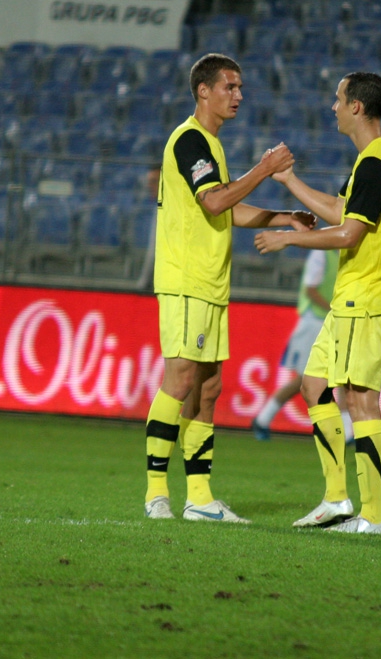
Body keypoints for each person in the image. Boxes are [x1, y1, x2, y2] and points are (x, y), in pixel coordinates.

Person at [143, 53, 316, 522]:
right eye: (230, 87)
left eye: (240, 88)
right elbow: (218, 199)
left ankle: (199, 499)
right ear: (204, 91)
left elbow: (225, 209)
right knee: (180, 379)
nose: (238, 95)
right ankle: (157, 492)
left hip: (211, 284)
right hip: (186, 280)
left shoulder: (212, 148)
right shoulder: (190, 141)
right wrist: (263, 169)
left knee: (208, 388)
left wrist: (284, 217)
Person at [254, 72, 381, 535]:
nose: (332, 106)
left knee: (361, 400)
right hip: (351, 298)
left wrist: (287, 241)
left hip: (367, 296)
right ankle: (337, 499)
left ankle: (374, 516)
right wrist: (290, 182)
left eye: (338, 99)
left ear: (357, 106)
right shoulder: (372, 159)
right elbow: (343, 210)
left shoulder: (378, 162)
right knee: (313, 383)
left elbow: (349, 233)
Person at [250, 248, 354, 443]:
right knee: (305, 380)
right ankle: (263, 418)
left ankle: (348, 431)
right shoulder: (322, 253)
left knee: (342, 374)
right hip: (315, 321)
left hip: (336, 322)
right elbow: (310, 289)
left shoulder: (349, 251)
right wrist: (334, 309)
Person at [135, 163, 161, 291]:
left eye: (154, 181)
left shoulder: (168, 210)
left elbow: (155, 252)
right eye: (149, 182)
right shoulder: (161, 207)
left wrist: (143, 284)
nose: (149, 186)